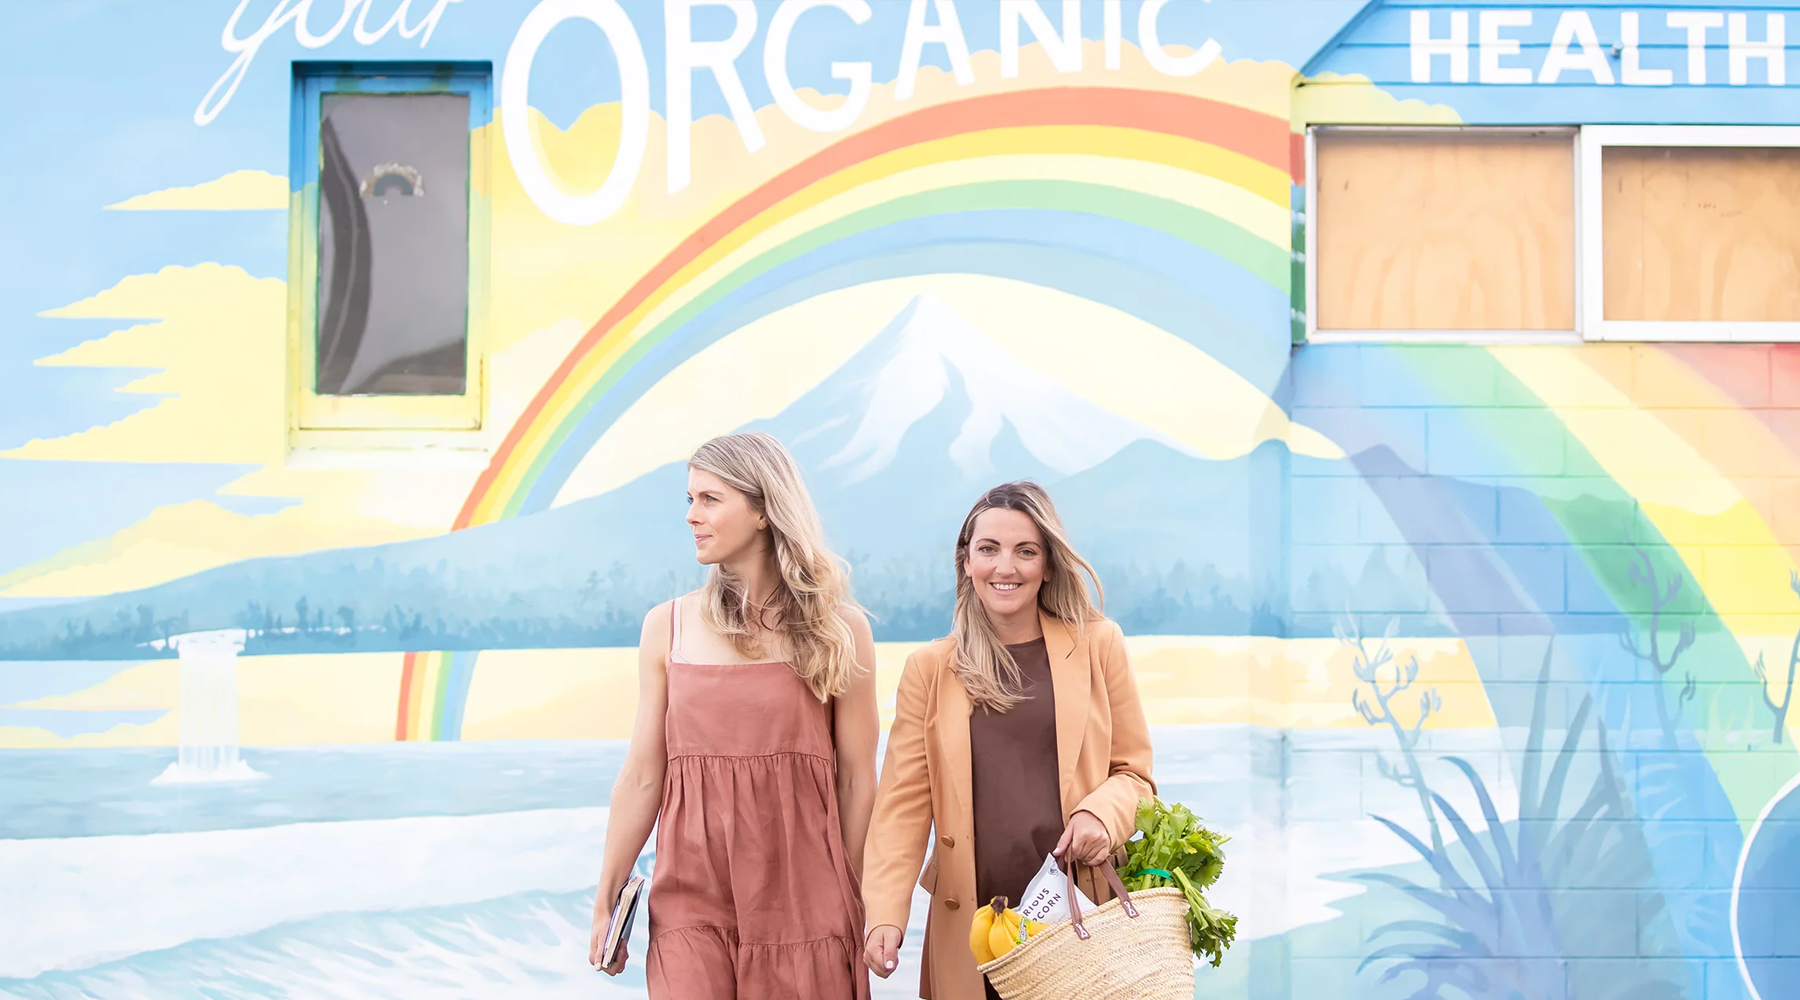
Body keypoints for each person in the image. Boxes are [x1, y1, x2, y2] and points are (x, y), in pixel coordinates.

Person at [589, 432, 878, 1000]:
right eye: (689, 500)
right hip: (690, 896)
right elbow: (643, 775)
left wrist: (852, 891)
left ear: (765, 509)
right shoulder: (666, 626)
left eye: (709, 499)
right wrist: (606, 898)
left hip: (805, 896)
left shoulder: (840, 631)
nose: (692, 516)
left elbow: (857, 778)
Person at [860, 481, 1155, 1000]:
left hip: (1076, 916)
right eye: (988, 550)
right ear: (966, 562)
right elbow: (901, 806)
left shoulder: (1098, 645)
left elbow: (1135, 776)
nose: (1006, 567)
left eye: (1026, 551)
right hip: (972, 928)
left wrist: (1100, 815)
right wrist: (884, 913)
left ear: (1046, 564)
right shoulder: (929, 669)